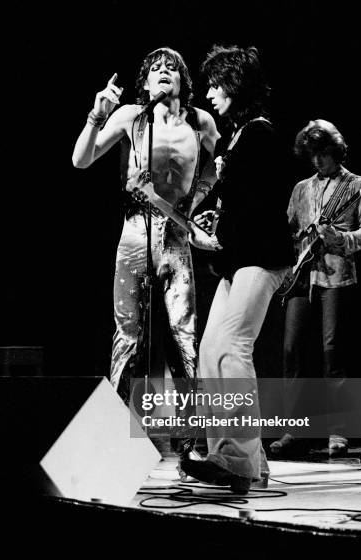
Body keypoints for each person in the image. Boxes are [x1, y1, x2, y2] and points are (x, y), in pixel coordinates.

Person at [72, 48, 218, 403]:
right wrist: (96, 116)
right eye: (156, 68)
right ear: (146, 81)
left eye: (172, 67)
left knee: (183, 331)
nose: (164, 71)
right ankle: (117, 428)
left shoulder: (201, 122)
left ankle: (190, 437)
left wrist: (195, 204)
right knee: (127, 332)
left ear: (183, 80)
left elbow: (214, 169)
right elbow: (81, 160)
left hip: (176, 235)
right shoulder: (131, 116)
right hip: (136, 229)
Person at [179, 45, 294, 493]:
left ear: (234, 84)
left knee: (231, 348)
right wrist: (214, 231)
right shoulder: (241, 134)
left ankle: (237, 460)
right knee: (212, 351)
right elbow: (239, 203)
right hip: (241, 257)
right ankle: (248, 460)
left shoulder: (260, 134)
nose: (208, 92)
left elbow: (261, 205)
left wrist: (217, 234)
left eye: (214, 84)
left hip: (261, 256)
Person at [270, 119, 361, 458]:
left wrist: (340, 239)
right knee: (291, 351)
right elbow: (286, 228)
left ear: (335, 151)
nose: (317, 162)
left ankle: (338, 432)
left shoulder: (357, 185)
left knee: (333, 354)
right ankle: (294, 429)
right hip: (301, 275)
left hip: (337, 275)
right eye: (312, 156)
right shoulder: (301, 188)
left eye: (322, 155)